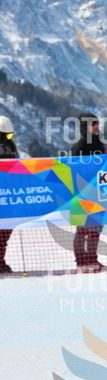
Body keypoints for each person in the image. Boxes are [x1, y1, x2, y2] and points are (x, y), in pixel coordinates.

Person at [71, 113, 107, 273]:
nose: (96, 126)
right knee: (82, 228)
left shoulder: (99, 143)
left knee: (96, 227)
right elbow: (74, 170)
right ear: (84, 127)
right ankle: (81, 261)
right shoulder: (79, 146)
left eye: (97, 123)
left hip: (98, 191)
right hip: (82, 192)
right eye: (92, 124)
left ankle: (92, 259)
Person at [0, 116, 18, 273]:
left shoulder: (11, 147)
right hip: (7, 197)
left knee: (4, 234)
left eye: (9, 135)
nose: (7, 139)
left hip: (9, 196)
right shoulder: (10, 147)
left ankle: (0, 261)